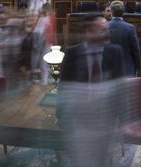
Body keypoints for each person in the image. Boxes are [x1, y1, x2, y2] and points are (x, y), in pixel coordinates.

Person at [57, 15, 126, 167]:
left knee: (101, 159)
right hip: (79, 119)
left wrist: (123, 120)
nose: (106, 34)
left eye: (107, 30)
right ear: (88, 32)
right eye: (101, 30)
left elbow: (121, 88)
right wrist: (61, 117)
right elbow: (63, 86)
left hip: (105, 119)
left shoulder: (115, 52)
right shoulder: (72, 53)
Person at [108, 1, 140, 77]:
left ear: (111, 11)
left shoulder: (104, 27)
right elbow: (136, 50)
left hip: (109, 70)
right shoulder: (130, 28)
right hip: (127, 70)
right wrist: (138, 66)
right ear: (123, 12)